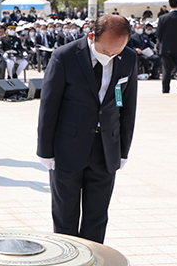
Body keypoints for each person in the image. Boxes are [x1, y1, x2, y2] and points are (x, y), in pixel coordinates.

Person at [37, 14, 138, 244]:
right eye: (107, 52)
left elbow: (128, 106)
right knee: (65, 216)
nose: (111, 57)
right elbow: (49, 107)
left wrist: (123, 150)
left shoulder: (128, 58)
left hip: (106, 149)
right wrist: (45, 151)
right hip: (68, 148)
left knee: (97, 216)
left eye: (117, 52)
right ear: (92, 36)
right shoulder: (65, 57)